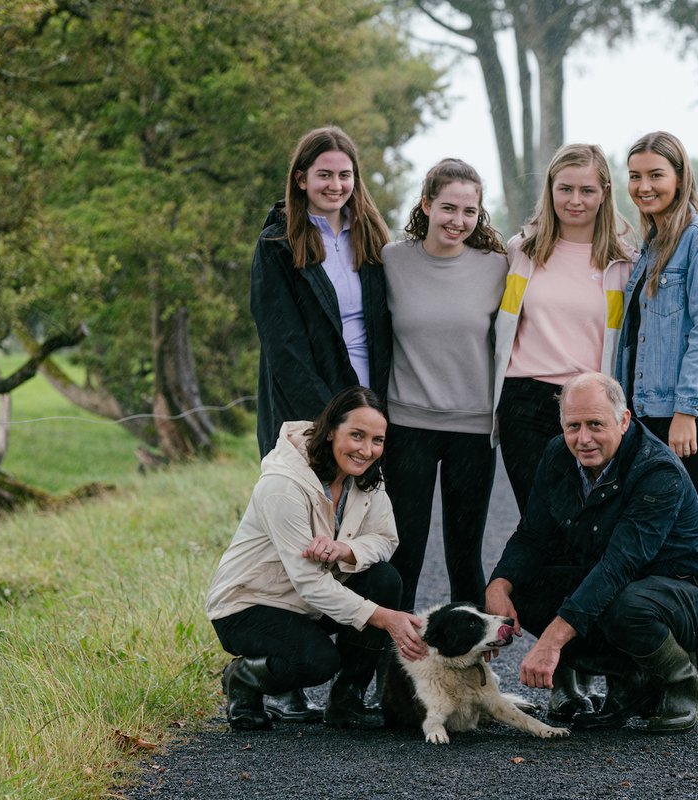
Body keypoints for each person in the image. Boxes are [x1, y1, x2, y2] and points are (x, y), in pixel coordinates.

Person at [484, 373, 698, 734]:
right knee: (527, 589)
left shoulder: (657, 470)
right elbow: (532, 534)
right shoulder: (558, 453)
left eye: (595, 425)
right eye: (573, 426)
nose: (583, 439)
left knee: (625, 604)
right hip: (633, 584)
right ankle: (631, 681)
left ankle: (680, 684)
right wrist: (500, 583)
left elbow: (620, 565)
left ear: (623, 420)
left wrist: (552, 642)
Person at [248, 126, 392, 720]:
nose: (335, 185)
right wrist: (328, 426)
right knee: (298, 543)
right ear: (301, 179)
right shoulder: (278, 245)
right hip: (307, 416)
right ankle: (280, 675)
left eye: (345, 174)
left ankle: (350, 687)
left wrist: (369, 418)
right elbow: (283, 345)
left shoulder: (370, 237)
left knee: (362, 543)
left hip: (368, 411)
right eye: (324, 174)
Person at [491, 142, 635, 720]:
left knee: (595, 534)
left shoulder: (624, 257)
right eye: (565, 188)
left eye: (588, 189)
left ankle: (606, 663)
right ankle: (567, 678)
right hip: (528, 403)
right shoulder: (521, 252)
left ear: (605, 195)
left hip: (592, 405)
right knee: (546, 533)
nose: (576, 200)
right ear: (550, 192)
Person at [204, 387, 428, 732]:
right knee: (318, 661)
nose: (367, 450)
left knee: (384, 579)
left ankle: (346, 701)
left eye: (377, 440)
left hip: (307, 603)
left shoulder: (366, 475)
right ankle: (243, 678)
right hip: (248, 605)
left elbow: (386, 539)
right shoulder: (282, 485)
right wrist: (383, 618)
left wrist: (346, 550)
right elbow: (309, 582)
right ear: (329, 431)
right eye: (356, 435)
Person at [619, 131, 698, 718]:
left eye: (655, 176)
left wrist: (687, 409)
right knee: (657, 537)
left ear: (680, 177)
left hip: (689, 414)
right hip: (647, 412)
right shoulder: (650, 244)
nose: (644, 187)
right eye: (635, 176)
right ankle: (672, 670)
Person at [381, 158, 508, 613]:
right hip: (407, 424)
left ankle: (466, 671)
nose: (458, 221)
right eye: (448, 208)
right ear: (426, 204)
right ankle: (393, 676)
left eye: (469, 212)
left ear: (479, 214)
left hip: (473, 430)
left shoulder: (497, 266)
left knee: (464, 555)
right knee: (405, 552)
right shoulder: (392, 260)